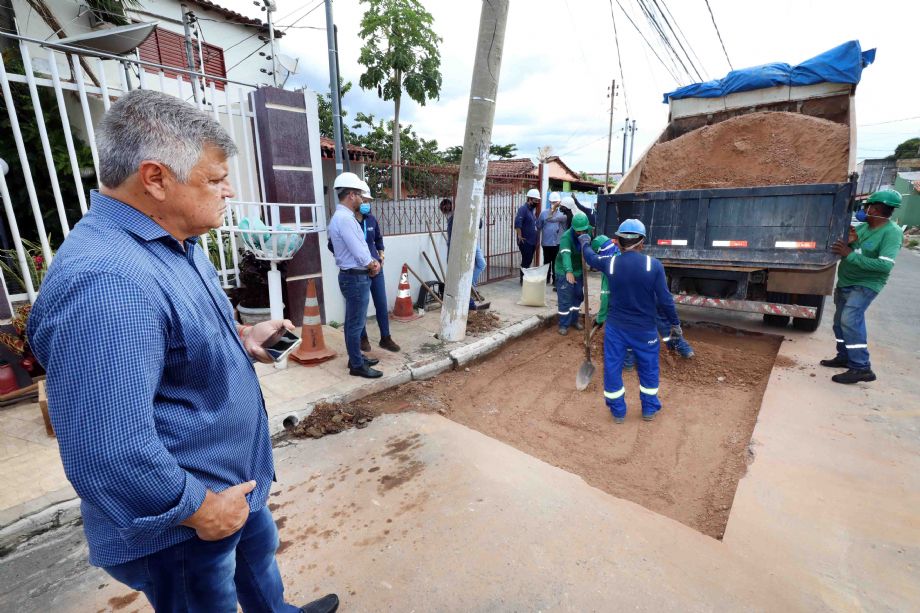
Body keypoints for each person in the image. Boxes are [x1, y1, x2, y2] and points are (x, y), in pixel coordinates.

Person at [26, 90, 338, 613]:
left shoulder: (174, 242)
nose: (229, 191)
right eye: (215, 179)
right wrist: (197, 509)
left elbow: (172, 341)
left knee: (260, 574)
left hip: (230, 482)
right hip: (184, 523)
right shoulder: (108, 282)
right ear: (155, 178)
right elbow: (108, 447)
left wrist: (242, 338)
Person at [580, 218, 682, 424]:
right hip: (645, 330)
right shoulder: (653, 266)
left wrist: (584, 242)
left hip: (616, 329)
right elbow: (665, 300)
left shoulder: (611, 263)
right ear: (642, 242)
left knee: (612, 367)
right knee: (649, 368)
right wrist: (675, 323)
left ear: (617, 241)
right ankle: (649, 409)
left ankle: (618, 412)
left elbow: (590, 258)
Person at [821, 189, 904, 384]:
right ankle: (844, 356)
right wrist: (850, 244)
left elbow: (884, 266)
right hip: (846, 282)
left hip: (866, 284)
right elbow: (849, 250)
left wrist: (850, 253)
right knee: (839, 322)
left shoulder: (892, 233)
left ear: (875, 209)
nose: (863, 210)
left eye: (867, 206)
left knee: (850, 319)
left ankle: (861, 367)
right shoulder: (863, 228)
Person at [328, 172, 383, 379]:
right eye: (360, 195)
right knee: (355, 325)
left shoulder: (343, 217)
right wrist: (372, 263)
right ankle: (357, 365)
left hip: (354, 276)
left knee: (354, 322)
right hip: (355, 277)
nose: (362, 199)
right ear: (351, 195)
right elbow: (358, 250)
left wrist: (371, 260)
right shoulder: (345, 219)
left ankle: (356, 358)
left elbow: (358, 246)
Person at [354, 202, 400, 353]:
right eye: (363, 198)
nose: (365, 202)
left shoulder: (371, 219)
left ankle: (385, 338)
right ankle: (362, 338)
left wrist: (381, 256)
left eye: (367, 199)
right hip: (359, 270)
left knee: (381, 303)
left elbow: (378, 240)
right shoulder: (349, 221)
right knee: (361, 306)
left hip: (376, 269)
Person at [440, 198, 488, 311]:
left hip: (466, 247)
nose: (446, 211)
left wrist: (475, 214)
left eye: (446, 209)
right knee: (460, 279)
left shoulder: (460, 216)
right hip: (460, 251)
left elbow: (479, 224)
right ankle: (468, 302)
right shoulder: (453, 219)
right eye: (444, 210)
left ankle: (471, 295)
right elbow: (452, 240)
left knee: (469, 273)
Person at [554, 209, 592, 336]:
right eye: (578, 230)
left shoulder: (588, 232)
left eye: (583, 230)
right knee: (565, 297)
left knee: (578, 296)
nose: (581, 232)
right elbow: (566, 255)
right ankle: (564, 324)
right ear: (573, 228)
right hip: (564, 269)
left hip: (578, 269)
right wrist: (568, 271)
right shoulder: (566, 238)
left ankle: (574, 320)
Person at [537, 192, 567, 286]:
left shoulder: (562, 214)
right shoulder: (543, 213)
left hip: (557, 243)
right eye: (552, 202)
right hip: (546, 242)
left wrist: (553, 208)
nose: (554, 203)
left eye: (556, 202)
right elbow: (539, 226)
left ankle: (555, 280)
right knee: (546, 262)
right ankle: (546, 280)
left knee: (556, 263)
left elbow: (551, 219)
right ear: (550, 201)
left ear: (559, 202)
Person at [514, 188, 541, 284]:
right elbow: (517, 223)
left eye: (538, 200)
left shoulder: (531, 211)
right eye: (535, 200)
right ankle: (523, 279)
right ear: (529, 199)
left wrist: (537, 240)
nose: (537, 202)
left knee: (528, 260)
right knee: (526, 260)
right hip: (525, 241)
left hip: (532, 241)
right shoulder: (523, 209)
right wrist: (520, 236)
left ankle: (525, 278)